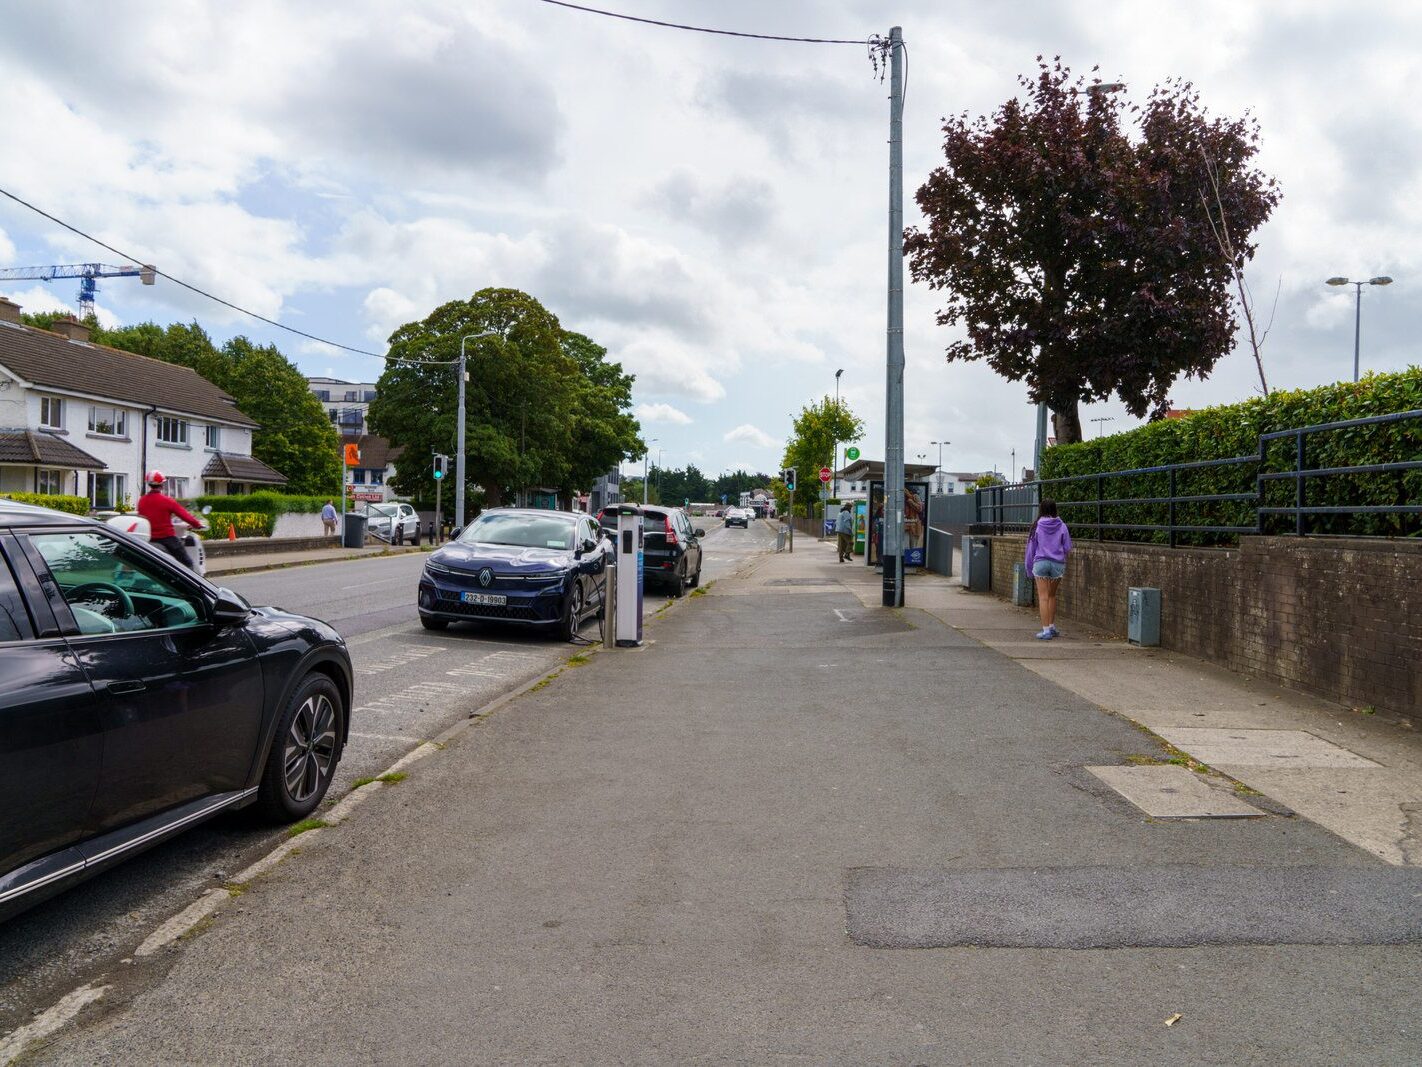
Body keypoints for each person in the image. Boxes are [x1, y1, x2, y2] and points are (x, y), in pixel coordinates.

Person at [136, 471, 206, 569]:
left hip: (148, 538)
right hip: (166, 539)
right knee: (187, 563)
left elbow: (142, 517)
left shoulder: (142, 500)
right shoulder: (167, 501)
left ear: (149, 484)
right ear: (162, 484)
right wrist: (197, 524)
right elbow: (184, 515)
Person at [1025, 498, 1072, 640]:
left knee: (1043, 597)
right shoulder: (1062, 525)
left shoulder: (1037, 526)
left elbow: (1031, 549)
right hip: (1057, 564)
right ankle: (1051, 627)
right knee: (1052, 595)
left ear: (1042, 510)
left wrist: (1028, 568)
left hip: (1041, 563)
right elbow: (1067, 547)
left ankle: (1045, 631)